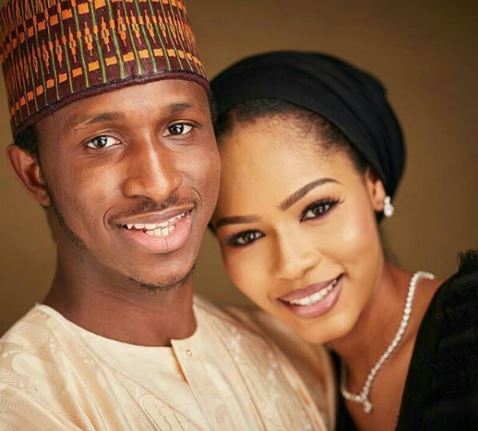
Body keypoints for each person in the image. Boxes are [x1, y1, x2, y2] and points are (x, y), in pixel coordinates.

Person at [0, 4, 335, 429]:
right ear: (35, 175)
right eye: (101, 141)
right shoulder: (22, 404)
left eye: (178, 128)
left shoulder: (295, 351)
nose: (158, 184)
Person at [210, 51, 478, 430]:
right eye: (246, 235)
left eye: (317, 209)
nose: (292, 264)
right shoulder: (289, 390)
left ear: (373, 184)